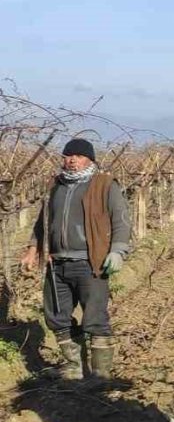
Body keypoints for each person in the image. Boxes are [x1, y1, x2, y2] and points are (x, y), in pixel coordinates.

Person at [20, 138, 132, 381]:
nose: (71, 160)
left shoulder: (105, 185)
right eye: (67, 156)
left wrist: (118, 251)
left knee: (95, 318)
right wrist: (33, 248)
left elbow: (121, 220)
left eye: (78, 156)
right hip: (56, 263)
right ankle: (74, 366)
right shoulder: (56, 186)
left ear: (89, 159)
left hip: (90, 263)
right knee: (56, 317)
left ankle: (100, 374)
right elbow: (43, 222)